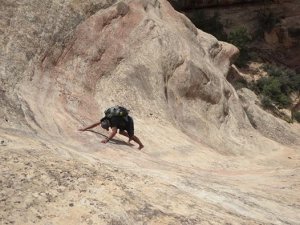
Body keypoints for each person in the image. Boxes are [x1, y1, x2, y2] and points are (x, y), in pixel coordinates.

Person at [78, 108, 144, 150]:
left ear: (109, 124)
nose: (107, 129)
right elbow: (95, 124)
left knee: (131, 135)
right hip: (121, 123)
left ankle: (141, 145)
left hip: (128, 122)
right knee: (121, 132)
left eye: (107, 128)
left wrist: (107, 140)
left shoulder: (113, 121)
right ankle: (130, 139)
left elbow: (114, 132)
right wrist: (84, 128)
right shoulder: (105, 118)